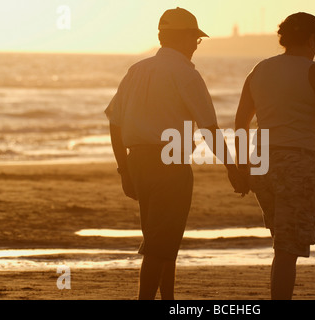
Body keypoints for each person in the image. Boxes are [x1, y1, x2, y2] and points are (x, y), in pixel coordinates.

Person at [105, 7, 246, 300]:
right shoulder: (185, 73)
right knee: (160, 245)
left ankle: (168, 299)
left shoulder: (137, 70)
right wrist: (232, 168)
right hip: (170, 162)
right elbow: (209, 127)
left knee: (162, 241)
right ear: (184, 38)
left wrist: (124, 170)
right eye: (195, 39)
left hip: (138, 162)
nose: (196, 46)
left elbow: (114, 123)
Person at [235, 12, 315, 300]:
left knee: (282, 244)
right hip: (295, 164)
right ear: (308, 40)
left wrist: (242, 166)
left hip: (261, 163)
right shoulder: (313, 72)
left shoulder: (258, 70)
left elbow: (240, 122)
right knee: (287, 249)